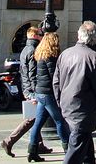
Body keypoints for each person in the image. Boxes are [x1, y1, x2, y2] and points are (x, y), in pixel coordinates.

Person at [53, 21, 96, 164]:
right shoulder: (93, 58)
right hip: (83, 111)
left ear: (79, 35)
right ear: (94, 38)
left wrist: (60, 102)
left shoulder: (65, 54)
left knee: (87, 150)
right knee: (75, 153)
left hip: (68, 108)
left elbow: (56, 82)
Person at [2, 27, 50, 157]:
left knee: (36, 117)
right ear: (35, 36)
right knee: (33, 118)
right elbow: (33, 73)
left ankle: (38, 145)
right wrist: (35, 92)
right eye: (40, 34)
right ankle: (9, 141)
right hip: (33, 89)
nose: (42, 36)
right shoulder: (34, 50)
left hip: (26, 87)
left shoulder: (24, 50)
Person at [26, 32, 70, 162]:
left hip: (41, 93)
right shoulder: (50, 57)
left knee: (38, 123)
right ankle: (68, 149)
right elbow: (54, 77)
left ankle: (32, 151)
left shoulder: (40, 55)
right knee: (60, 121)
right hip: (48, 94)